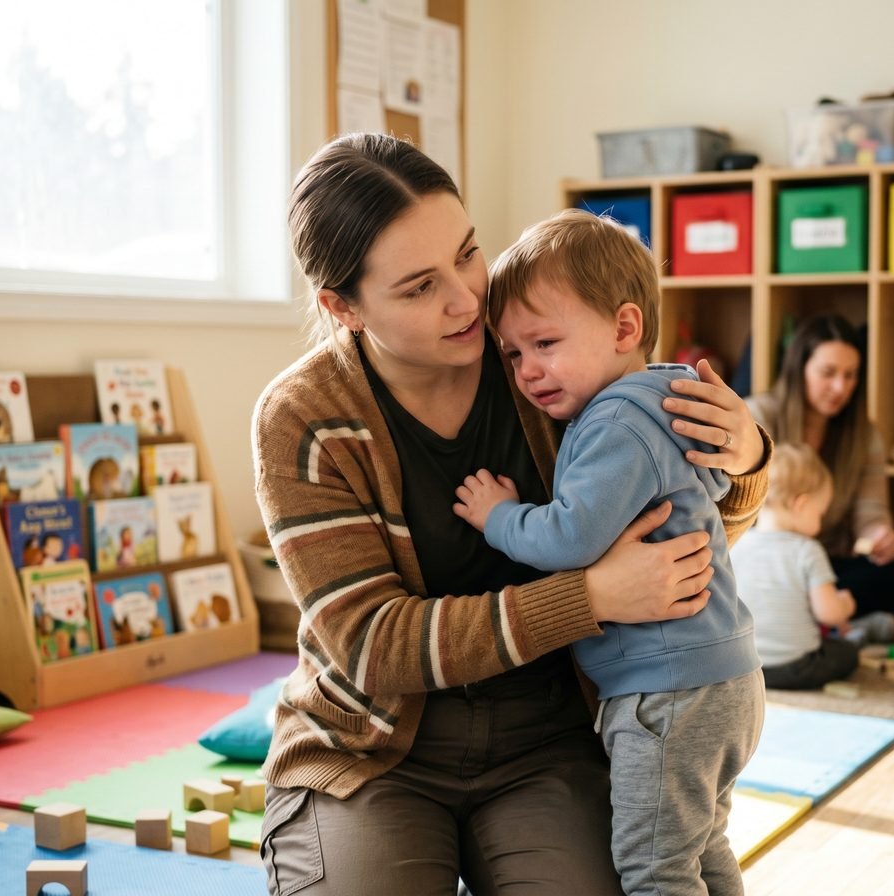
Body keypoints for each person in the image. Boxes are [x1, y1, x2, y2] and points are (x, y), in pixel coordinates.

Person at [251, 133, 771, 896]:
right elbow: (371, 645)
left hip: (549, 738)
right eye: (418, 287)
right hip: (372, 745)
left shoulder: (543, 351)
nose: (466, 299)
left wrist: (749, 458)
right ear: (343, 307)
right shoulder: (304, 417)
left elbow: (680, 543)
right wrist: (589, 598)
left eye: (467, 252)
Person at [452, 209, 764, 896]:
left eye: (545, 344)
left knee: (654, 870)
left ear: (625, 328)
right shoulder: (666, 397)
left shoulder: (614, 421)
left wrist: (499, 516)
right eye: (513, 354)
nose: (528, 372)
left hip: (666, 691)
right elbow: (716, 486)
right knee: (702, 847)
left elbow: (570, 537)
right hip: (725, 675)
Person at [744, 313, 894, 616]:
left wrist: (879, 535)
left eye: (850, 375)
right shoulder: (758, 417)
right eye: (828, 372)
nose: (840, 387)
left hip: (825, 563)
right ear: (800, 370)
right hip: (765, 560)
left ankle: (810, 613)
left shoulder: (864, 436)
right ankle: (819, 615)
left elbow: (871, 513)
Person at [730, 442, 861, 689]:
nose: (820, 524)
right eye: (820, 513)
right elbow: (830, 614)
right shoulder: (807, 550)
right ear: (801, 505)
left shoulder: (739, 543)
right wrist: (845, 603)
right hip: (796, 668)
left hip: (744, 667)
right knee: (847, 652)